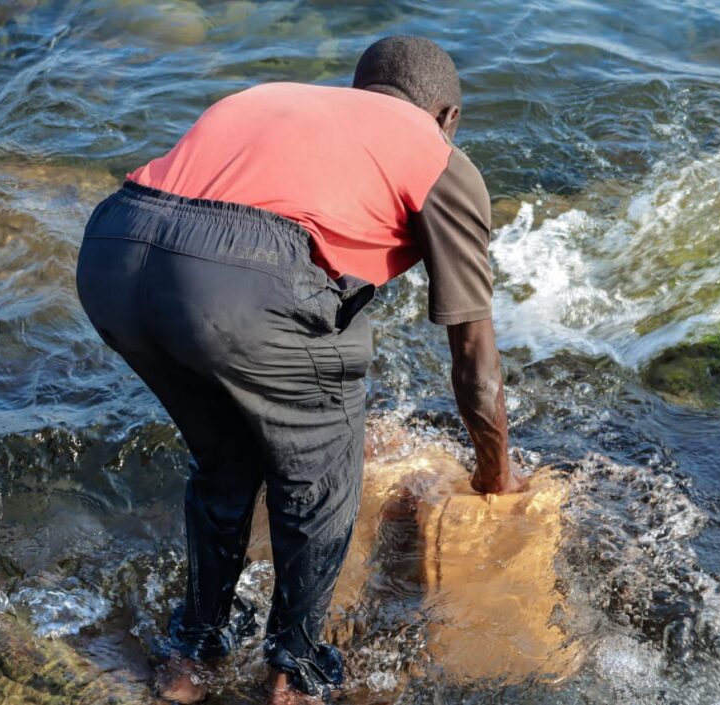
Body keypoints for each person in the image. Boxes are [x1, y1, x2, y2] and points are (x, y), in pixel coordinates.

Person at [75, 36, 526, 705]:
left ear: (356, 87)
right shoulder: (439, 156)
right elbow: (476, 366)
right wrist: (498, 477)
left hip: (113, 251)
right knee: (320, 476)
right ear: (448, 115)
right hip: (242, 277)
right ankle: (294, 673)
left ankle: (188, 658)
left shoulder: (276, 99)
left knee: (226, 462)